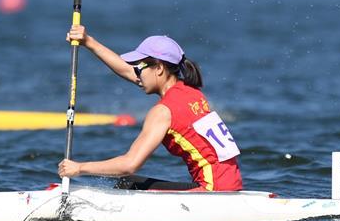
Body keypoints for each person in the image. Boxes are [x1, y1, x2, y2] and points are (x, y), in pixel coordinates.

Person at [58, 25, 243, 192]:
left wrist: (79, 168)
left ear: (160, 68)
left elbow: (129, 164)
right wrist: (89, 42)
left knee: (127, 183)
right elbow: (129, 72)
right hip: (231, 185)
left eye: (139, 68)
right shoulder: (192, 93)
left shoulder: (162, 112)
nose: (137, 75)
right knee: (130, 183)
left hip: (212, 191)